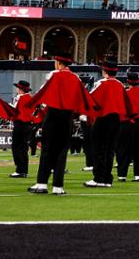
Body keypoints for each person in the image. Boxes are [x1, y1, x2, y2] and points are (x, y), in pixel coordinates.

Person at [27, 55, 95, 195]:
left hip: (52, 115)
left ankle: (42, 183)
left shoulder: (53, 75)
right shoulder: (76, 78)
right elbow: (83, 97)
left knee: (47, 150)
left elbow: (43, 92)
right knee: (61, 151)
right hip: (67, 117)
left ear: (58, 63)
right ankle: (58, 186)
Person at [86, 60, 128, 188]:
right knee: (110, 149)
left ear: (104, 71)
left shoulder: (101, 83)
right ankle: (107, 178)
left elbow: (90, 98)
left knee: (99, 148)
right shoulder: (120, 85)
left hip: (104, 118)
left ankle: (98, 177)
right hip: (116, 119)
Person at [118, 72, 139, 182]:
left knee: (124, 149)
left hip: (128, 122)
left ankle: (122, 174)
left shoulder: (125, 93)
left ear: (128, 81)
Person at [10, 80, 35, 178]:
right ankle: (24, 170)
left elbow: (12, 109)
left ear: (20, 89)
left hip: (20, 124)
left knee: (16, 147)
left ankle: (19, 170)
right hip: (28, 125)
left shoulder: (18, 97)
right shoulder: (30, 98)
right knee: (23, 148)